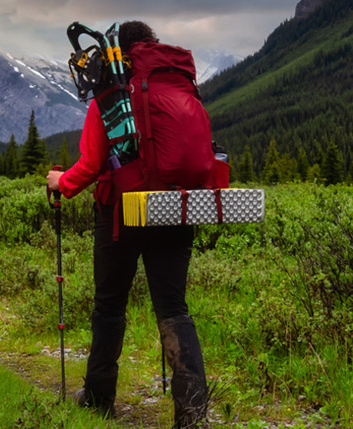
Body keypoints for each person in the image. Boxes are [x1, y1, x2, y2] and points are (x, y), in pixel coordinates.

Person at [46, 21, 209, 428]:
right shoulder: (179, 80)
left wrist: (60, 183)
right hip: (173, 207)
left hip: (120, 213)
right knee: (173, 308)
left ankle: (100, 400)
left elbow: (91, 162)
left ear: (121, 48)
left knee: (109, 307)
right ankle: (192, 413)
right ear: (152, 44)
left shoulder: (112, 89)